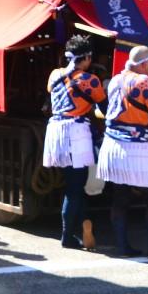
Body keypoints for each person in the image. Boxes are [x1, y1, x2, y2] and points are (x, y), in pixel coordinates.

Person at [97, 45, 148, 258]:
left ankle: (122, 247)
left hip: (112, 144)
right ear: (142, 64)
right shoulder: (143, 82)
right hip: (136, 146)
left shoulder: (115, 80)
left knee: (120, 197)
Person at [42, 36, 105, 249]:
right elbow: (104, 109)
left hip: (55, 132)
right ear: (86, 58)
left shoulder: (54, 75)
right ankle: (67, 236)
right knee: (75, 187)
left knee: (73, 184)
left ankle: (81, 225)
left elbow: (52, 92)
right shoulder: (91, 80)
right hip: (76, 133)